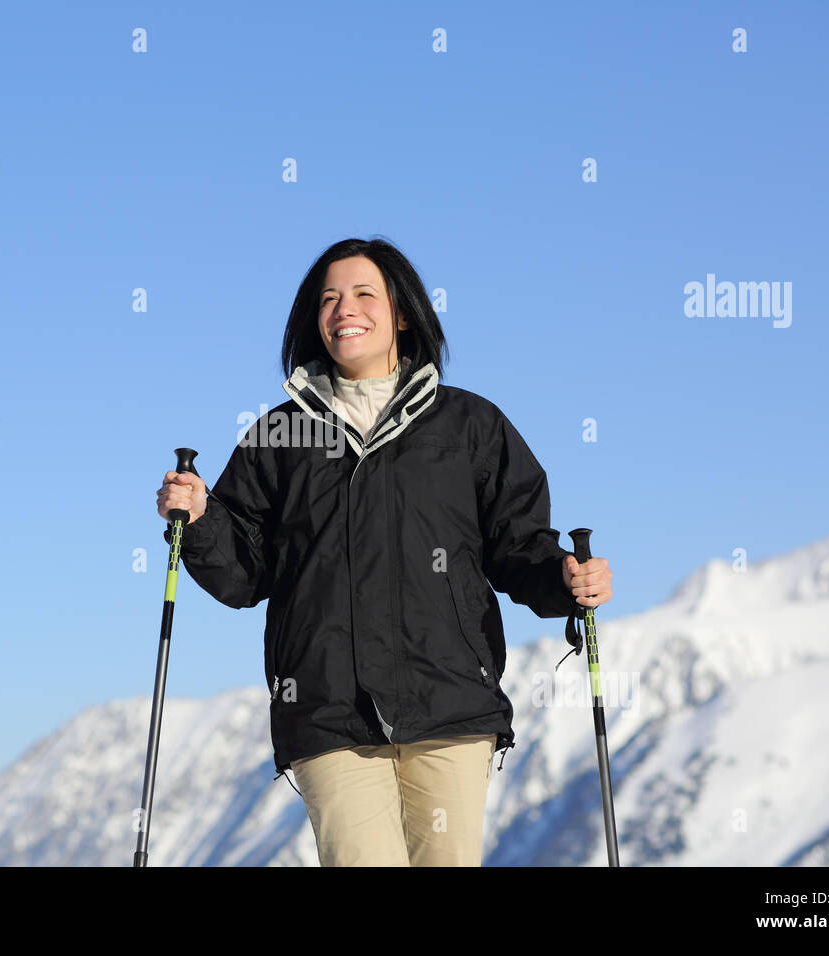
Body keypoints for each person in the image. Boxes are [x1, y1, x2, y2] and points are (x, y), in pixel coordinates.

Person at [155, 237, 613, 866]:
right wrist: (202, 518)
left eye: (364, 293)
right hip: (327, 710)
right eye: (329, 298)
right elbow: (243, 574)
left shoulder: (468, 427)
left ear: (402, 313)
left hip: (449, 706)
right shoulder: (278, 436)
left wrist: (565, 579)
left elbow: (519, 545)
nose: (345, 308)